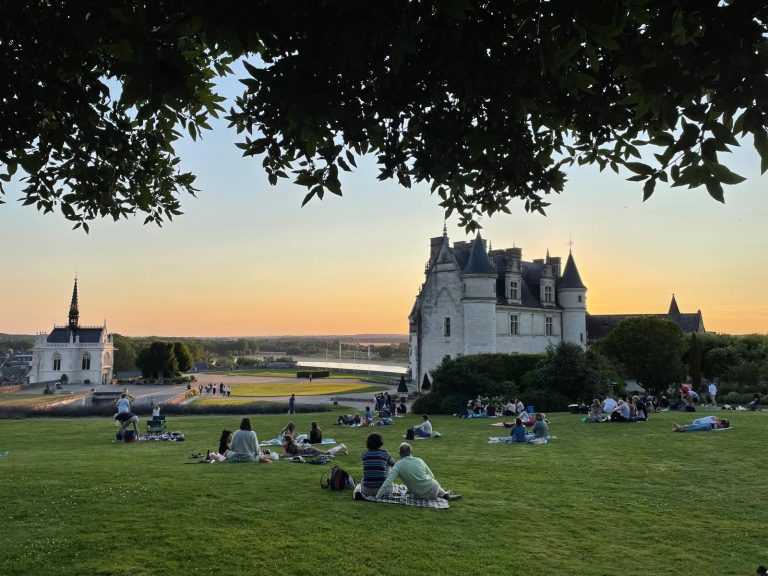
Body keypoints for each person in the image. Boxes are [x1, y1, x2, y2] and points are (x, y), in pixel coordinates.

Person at [375, 443, 460, 500]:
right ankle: (445, 494)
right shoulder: (420, 460)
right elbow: (431, 475)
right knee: (434, 483)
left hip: (419, 496)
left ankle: (445, 494)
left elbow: (388, 481)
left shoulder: (398, 465)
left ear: (400, 453)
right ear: (411, 452)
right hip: (433, 490)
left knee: (427, 484)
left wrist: (377, 496)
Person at [360, 432, 396, 497]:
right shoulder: (385, 454)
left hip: (366, 491)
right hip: (383, 490)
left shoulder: (364, 454)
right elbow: (394, 464)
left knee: (363, 479)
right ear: (380, 443)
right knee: (388, 464)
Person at [282, 434, 346, 457]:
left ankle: (340, 446)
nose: (283, 442)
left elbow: (288, 456)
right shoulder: (289, 446)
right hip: (308, 450)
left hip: (310, 450)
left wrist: (284, 447)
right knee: (326, 453)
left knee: (327, 453)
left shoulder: (292, 446)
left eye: (284, 440)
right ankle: (342, 450)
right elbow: (286, 455)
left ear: (287, 441)